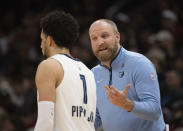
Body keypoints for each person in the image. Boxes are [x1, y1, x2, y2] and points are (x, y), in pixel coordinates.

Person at [89, 19, 166, 131]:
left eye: (104, 36)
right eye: (94, 38)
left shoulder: (139, 63)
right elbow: (97, 116)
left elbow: (154, 112)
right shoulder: (93, 74)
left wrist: (127, 104)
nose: (100, 42)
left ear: (117, 37)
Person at [34, 10, 96, 131]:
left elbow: (45, 122)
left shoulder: (49, 66)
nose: (41, 45)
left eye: (42, 39)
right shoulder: (88, 72)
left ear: (50, 40)